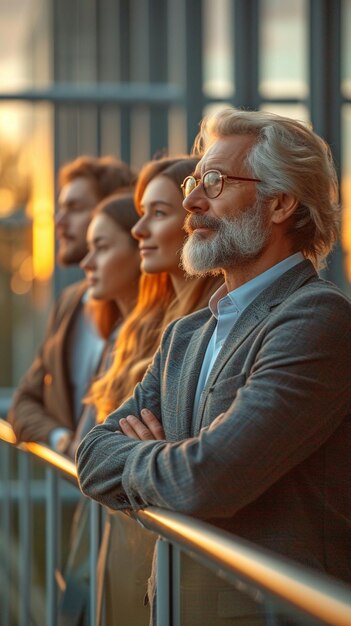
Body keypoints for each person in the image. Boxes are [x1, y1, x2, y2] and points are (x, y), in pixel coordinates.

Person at [76, 108, 351, 623]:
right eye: (193, 181)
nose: (191, 200)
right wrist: (173, 460)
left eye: (215, 181)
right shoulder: (187, 332)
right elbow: (91, 454)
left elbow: (208, 481)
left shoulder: (318, 318)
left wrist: (148, 455)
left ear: (281, 203)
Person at [82, 156, 222, 626]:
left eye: (158, 213)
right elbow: (95, 450)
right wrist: (161, 456)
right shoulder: (160, 329)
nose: (139, 229)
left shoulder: (212, 329)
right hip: (130, 533)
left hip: (166, 552)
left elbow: (201, 467)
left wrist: (151, 455)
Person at [8, 155, 136, 453]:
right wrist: (62, 440)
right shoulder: (70, 302)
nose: (59, 221)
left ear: (113, 211)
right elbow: (23, 403)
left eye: (75, 208)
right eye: (61, 207)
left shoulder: (146, 314)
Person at [58, 191, 141, 626]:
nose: (86, 262)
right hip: (96, 534)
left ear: (139, 248)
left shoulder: (163, 341)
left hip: (130, 549)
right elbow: (92, 451)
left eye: (103, 247)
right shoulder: (116, 339)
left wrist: (120, 455)